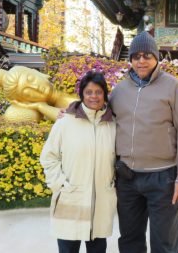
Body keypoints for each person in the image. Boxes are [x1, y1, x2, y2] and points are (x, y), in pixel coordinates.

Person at [109, 31, 178, 253]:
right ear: (130, 59)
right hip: (127, 177)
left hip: (163, 178)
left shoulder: (173, 87)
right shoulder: (120, 90)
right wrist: (72, 111)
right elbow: (100, 116)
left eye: (147, 56)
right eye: (136, 56)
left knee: (164, 242)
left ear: (156, 58)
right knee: (130, 239)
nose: (141, 61)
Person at [39, 71, 117, 253]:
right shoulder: (65, 121)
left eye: (98, 92)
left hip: (101, 202)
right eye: (89, 92)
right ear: (81, 94)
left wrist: (112, 184)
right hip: (71, 198)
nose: (94, 96)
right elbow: (48, 156)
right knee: (68, 248)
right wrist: (60, 184)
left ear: (105, 94)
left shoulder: (112, 123)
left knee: (97, 248)